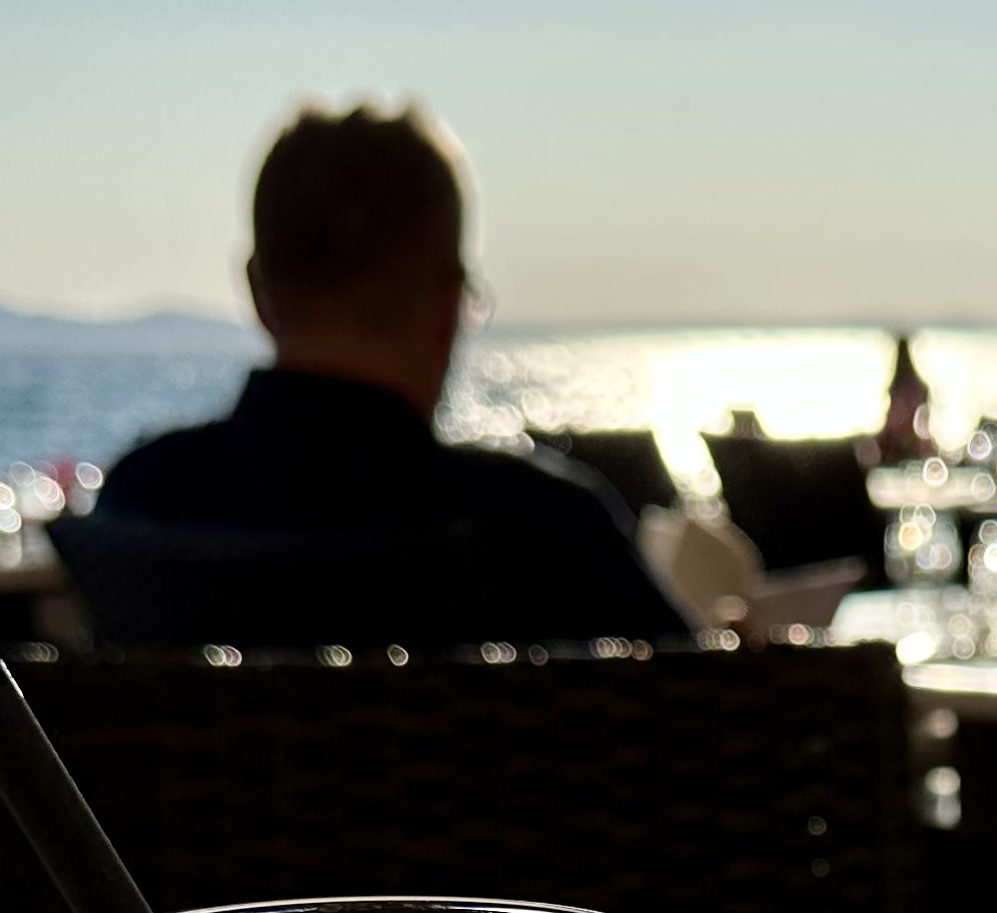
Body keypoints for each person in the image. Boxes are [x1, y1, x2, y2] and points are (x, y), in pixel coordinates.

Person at [79, 107, 691, 652]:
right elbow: (697, 719)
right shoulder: (547, 531)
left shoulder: (143, 501)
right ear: (449, 303)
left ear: (258, 294)